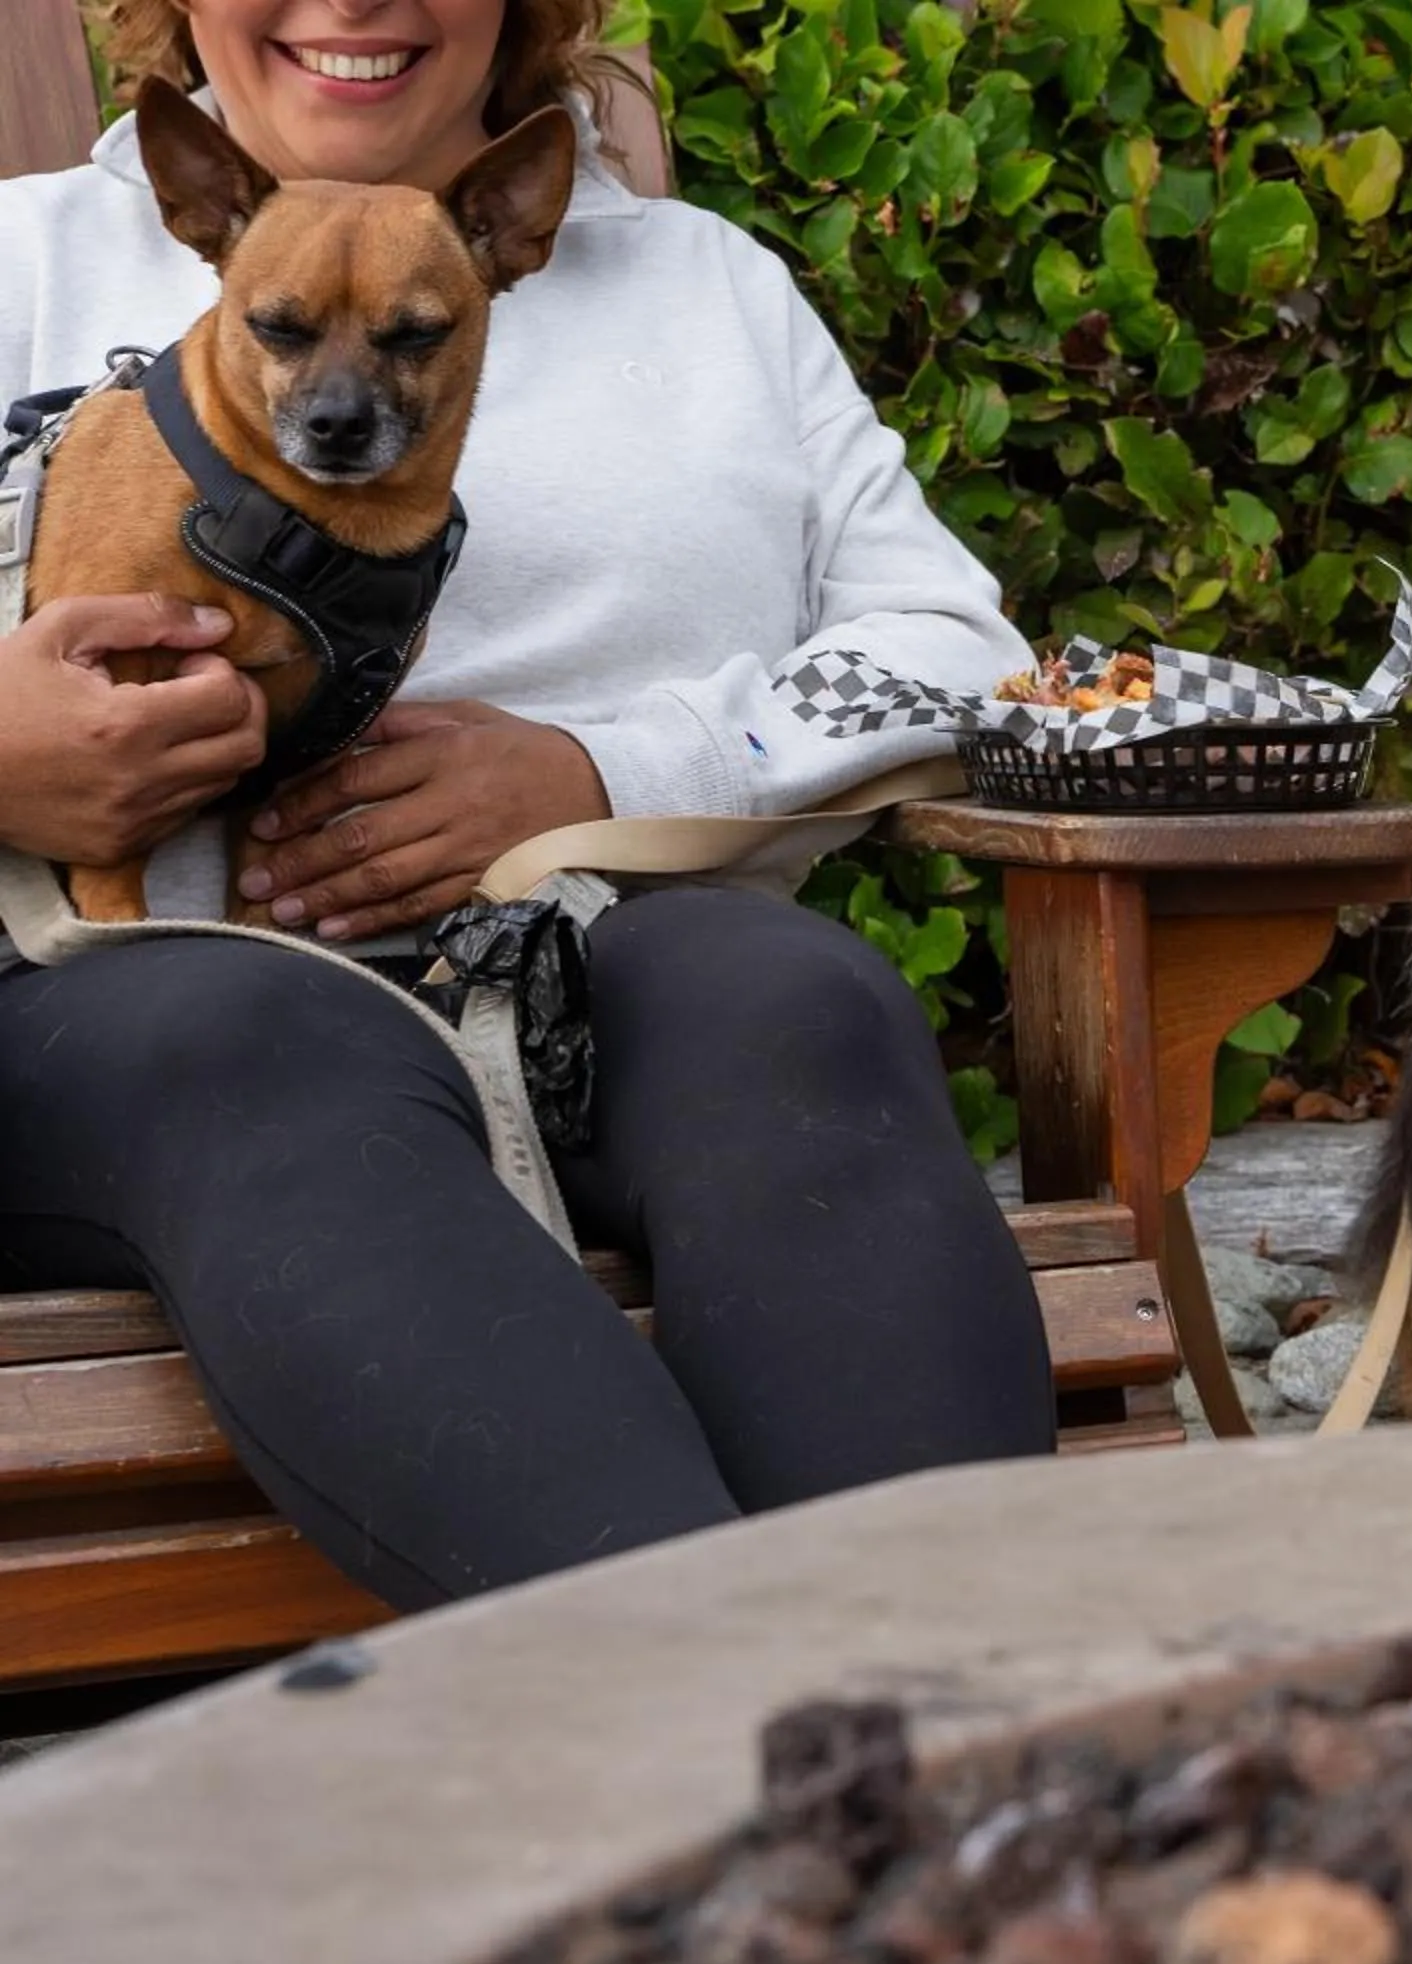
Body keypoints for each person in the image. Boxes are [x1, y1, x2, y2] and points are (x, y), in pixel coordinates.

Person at [0, 0, 1063, 1610]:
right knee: (268, 1047)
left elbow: (964, 655)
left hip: (579, 956)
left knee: (792, 1000)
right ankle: (766, 1754)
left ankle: (955, 1731)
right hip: (120, 1011)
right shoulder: (24, 259)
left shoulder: (712, 293)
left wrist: (612, 769)